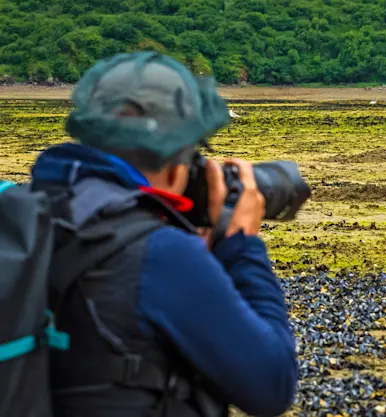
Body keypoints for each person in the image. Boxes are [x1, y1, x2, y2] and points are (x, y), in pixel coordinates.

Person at [30, 52, 297, 416]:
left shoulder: (28, 217)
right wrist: (241, 245)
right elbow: (272, 385)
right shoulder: (162, 254)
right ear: (177, 162)